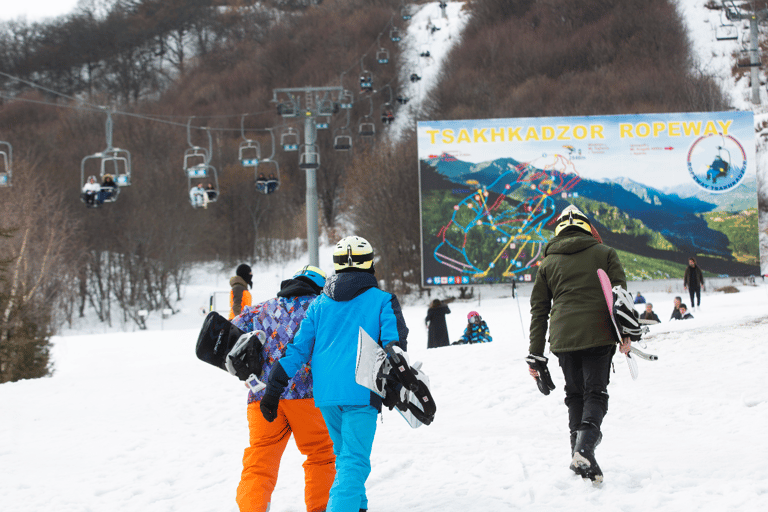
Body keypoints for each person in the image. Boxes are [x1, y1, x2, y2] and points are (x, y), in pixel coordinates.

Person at [260, 235, 409, 512]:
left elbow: (297, 350)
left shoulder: (319, 304)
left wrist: (273, 389)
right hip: (362, 390)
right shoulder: (382, 300)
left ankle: (359, 507)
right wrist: (398, 380)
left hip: (326, 395)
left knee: (345, 458)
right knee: (354, 461)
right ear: (370, 263)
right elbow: (394, 345)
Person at [527, 205, 631, 484]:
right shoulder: (605, 253)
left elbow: (538, 310)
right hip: (599, 334)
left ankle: (580, 455)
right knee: (595, 393)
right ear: (587, 227)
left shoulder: (547, 263)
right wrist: (626, 335)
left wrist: (535, 354)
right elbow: (619, 299)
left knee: (575, 395)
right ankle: (584, 449)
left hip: (562, 337)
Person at [232, 265, 335, 512]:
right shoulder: (322, 308)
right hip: (307, 396)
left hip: (263, 398)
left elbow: (232, 331)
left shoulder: (261, 308)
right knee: (321, 456)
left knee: (259, 461)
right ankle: (321, 508)